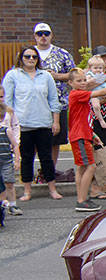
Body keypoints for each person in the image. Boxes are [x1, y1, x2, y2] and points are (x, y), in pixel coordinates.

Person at [67, 68, 106, 213]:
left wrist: (93, 135)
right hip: (80, 136)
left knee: (82, 168)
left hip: (82, 134)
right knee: (90, 167)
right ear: (71, 83)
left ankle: (82, 197)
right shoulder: (78, 94)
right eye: (79, 81)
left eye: (84, 80)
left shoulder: (77, 95)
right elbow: (101, 92)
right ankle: (82, 200)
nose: (83, 83)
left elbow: (82, 119)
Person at [2, 45, 62, 201]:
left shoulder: (46, 76)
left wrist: (55, 121)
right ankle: (27, 191)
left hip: (43, 123)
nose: (30, 59)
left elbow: (54, 100)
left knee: (46, 158)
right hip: (23, 125)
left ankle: (52, 189)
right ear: (21, 58)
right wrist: (8, 123)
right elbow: (7, 102)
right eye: (27, 56)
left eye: (34, 57)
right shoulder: (12, 75)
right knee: (27, 158)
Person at [32, 23, 76, 160]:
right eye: (40, 34)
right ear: (35, 36)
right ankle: (31, 170)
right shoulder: (29, 54)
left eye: (46, 33)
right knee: (33, 139)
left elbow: (74, 75)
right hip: (34, 104)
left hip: (58, 102)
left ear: (51, 35)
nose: (43, 37)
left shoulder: (63, 54)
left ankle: (50, 170)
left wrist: (57, 76)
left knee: (55, 140)